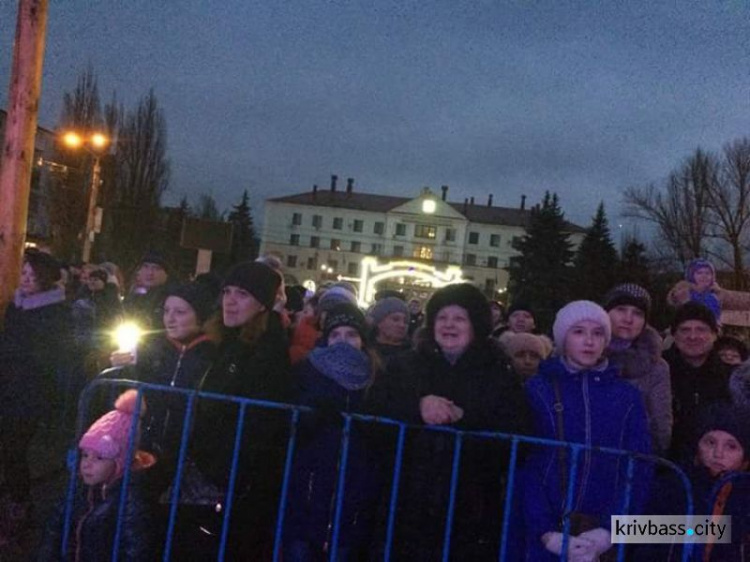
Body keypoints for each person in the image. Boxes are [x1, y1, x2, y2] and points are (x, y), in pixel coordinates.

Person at [369, 283, 528, 560]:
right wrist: (416, 407)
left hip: (470, 504)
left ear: (475, 324)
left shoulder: (498, 372)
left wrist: (466, 419)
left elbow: (516, 432)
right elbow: (375, 412)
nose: (449, 325)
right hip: (407, 499)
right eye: (442, 318)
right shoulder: (406, 365)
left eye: (459, 318)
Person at [520, 300, 651, 561]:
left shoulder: (627, 396)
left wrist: (610, 530)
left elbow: (638, 468)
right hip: (547, 535)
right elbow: (525, 464)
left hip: (602, 536)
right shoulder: (538, 389)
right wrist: (545, 531)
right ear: (562, 338)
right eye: (578, 331)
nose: (589, 341)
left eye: (598, 333)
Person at [189, 261, 291, 559]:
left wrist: (218, 468)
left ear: (262, 305)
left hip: (236, 484)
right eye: (227, 292)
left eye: (242, 294)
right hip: (210, 471)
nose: (230, 301)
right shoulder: (225, 340)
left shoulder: (267, 352)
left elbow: (260, 425)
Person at [284, 303, 383, 561]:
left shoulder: (378, 377)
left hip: (356, 484)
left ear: (362, 340)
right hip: (310, 481)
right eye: (336, 335)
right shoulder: (307, 370)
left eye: (351, 334)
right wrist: (310, 415)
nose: (343, 341)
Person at [0, 251, 72, 543]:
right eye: (23, 274)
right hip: (8, 385)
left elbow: (52, 357)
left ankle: (20, 506)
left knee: (14, 448)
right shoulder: (14, 307)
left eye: (32, 275)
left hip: (30, 391)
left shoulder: (54, 312)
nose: (26, 280)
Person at [37, 390, 157, 561]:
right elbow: (53, 531)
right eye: (85, 454)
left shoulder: (130, 500)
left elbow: (135, 550)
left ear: (119, 462)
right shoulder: (78, 487)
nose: (87, 463)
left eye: (99, 457)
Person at [638, 404, 750, 560]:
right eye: (710, 442)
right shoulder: (674, 484)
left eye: (731, 446)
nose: (718, 453)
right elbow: (638, 531)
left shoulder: (745, 497)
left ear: (745, 458)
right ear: (697, 446)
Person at [602, 283, 673, 455]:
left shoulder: (656, 367)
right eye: (621, 309)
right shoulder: (583, 354)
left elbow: (660, 423)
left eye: (637, 313)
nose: (628, 319)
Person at [663, 302, 732, 460]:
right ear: (674, 335)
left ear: (715, 334)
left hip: (716, 466)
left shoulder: (731, 377)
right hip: (665, 465)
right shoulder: (657, 372)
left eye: (701, 329)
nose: (693, 336)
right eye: (685, 330)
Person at [122, 251, 172, 331]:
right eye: (146, 267)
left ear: (166, 274)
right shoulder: (133, 295)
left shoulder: (171, 298)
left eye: (156, 268)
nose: (150, 273)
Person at [367, 296, 411, 364]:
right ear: (379, 322)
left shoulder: (414, 356)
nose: (402, 325)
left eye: (405, 321)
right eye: (395, 319)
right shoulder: (365, 353)